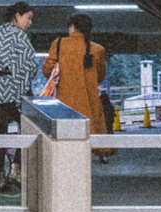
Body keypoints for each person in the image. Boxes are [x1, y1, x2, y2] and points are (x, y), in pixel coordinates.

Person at [0, 1, 37, 194]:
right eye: (28, 18)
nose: (30, 23)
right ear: (18, 16)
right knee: (26, 131)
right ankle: (15, 169)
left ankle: (0, 176)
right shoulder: (20, 36)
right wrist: (19, 82)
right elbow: (31, 65)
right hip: (16, 95)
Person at [42, 12, 113, 162]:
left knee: (66, 148)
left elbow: (47, 70)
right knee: (85, 147)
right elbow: (100, 77)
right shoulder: (98, 49)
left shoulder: (59, 44)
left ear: (73, 27)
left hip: (64, 105)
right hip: (89, 106)